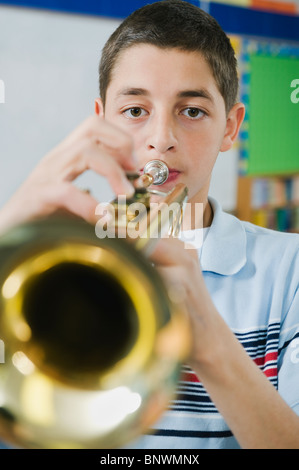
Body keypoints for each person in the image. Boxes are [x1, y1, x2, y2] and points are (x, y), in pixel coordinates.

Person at [0, 0, 299, 449]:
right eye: (136, 110)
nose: (162, 139)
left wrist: (214, 349)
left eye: (192, 111)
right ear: (101, 120)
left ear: (230, 127)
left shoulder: (289, 268)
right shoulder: (46, 261)